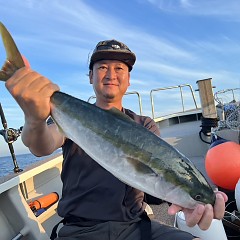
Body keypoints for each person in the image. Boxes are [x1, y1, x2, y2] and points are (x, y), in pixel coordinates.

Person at [6, 39, 227, 240]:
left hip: (136, 228)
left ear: (128, 79)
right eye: (102, 67)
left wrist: (187, 202)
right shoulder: (74, 118)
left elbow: (159, 184)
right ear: (91, 76)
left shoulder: (144, 125)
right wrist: (34, 120)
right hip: (80, 232)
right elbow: (41, 145)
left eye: (119, 68)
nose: (111, 74)